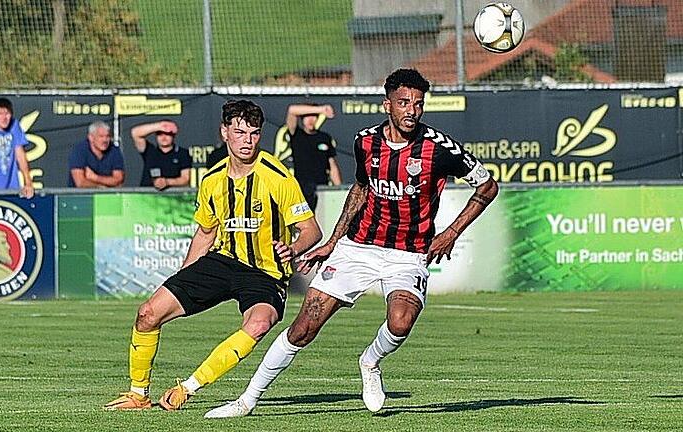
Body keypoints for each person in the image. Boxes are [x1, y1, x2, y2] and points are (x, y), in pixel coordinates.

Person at [205, 69, 499, 418]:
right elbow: (361, 188)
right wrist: (333, 240)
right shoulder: (365, 142)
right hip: (358, 247)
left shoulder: (440, 147)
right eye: (404, 102)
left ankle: (370, 361)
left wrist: (451, 232)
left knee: (401, 322)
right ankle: (246, 401)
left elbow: (487, 186)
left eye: (418, 104)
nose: (412, 111)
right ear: (387, 104)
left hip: (407, 254)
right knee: (303, 328)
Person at [103, 100, 322, 411]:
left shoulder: (277, 176)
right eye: (240, 132)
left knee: (259, 324)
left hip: (266, 274)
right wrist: (181, 280)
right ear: (225, 133)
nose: (247, 140)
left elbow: (312, 230)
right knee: (148, 314)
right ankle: (138, 394)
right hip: (222, 261)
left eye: (254, 133)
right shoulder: (212, 179)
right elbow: (205, 233)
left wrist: (295, 247)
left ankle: (187, 388)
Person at [285, 103, 343, 210]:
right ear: (302, 119)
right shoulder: (297, 135)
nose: (311, 119)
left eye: (314, 116)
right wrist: (321, 109)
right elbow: (292, 110)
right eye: (307, 116)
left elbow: (332, 166)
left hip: (321, 188)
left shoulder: (324, 138)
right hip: (302, 189)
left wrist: (339, 189)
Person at [130, 120, 192, 189]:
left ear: (173, 136)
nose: (164, 137)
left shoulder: (182, 153)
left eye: (167, 134)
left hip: (171, 196)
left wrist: (167, 182)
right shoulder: (149, 151)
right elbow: (135, 133)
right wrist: (159, 126)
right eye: (160, 134)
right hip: (147, 195)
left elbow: (186, 179)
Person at [68, 121, 125, 188]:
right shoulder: (79, 150)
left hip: (109, 195)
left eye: (107, 136)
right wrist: (101, 187)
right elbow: (80, 182)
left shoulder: (114, 150)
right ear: (91, 138)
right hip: (81, 196)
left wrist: (95, 177)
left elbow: (118, 179)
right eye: (101, 136)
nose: (105, 140)